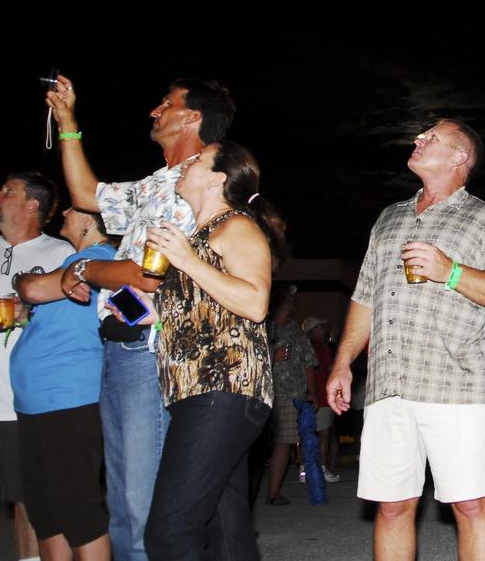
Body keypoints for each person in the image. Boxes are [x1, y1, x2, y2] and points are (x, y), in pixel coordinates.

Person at [47, 75, 235, 561]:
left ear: (192, 117)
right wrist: (68, 123)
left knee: (140, 505)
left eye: (166, 103)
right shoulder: (159, 182)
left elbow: (149, 276)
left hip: (148, 347)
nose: (154, 110)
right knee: (125, 502)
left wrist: (86, 267)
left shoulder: (202, 182)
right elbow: (88, 195)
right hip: (120, 344)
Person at [326, 119, 485, 561]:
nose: (419, 140)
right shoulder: (389, 217)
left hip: (453, 386)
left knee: (470, 503)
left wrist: (450, 271)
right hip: (389, 384)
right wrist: (343, 362)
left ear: (460, 158)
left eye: (432, 137)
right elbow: (365, 297)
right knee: (393, 506)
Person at [137, 140, 283, 558]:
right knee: (225, 528)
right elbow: (206, 310)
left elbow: (255, 303)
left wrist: (186, 261)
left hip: (223, 388)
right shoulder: (198, 236)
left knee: (170, 532)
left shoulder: (236, 226)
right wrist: (155, 313)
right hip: (199, 392)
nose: (186, 163)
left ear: (219, 177)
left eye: (197, 160)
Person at [0, 173, 74, 561]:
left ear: (33, 205)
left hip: (25, 404)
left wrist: (34, 314)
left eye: (7, 191)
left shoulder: (61, 254)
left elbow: (75, 323)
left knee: (28, 503)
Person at [11, 207, 117, 561]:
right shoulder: (73, 262)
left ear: (89, 220)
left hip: (69, 397)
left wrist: (23, 284)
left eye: (73, 209)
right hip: (36, 401)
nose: (65, 212)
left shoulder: (99, 259)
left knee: (79, 510)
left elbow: (32, 286)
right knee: (47, 514)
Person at [265, 285, 317, 504]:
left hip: (290, 393)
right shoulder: (263, 327)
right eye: (288, 299)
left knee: (284, 440)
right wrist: (271, 355)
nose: (292, 302)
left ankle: (273, 493)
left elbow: (308, 361)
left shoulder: (295, 330)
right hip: (264, 390)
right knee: (260, 442)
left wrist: (312, 392)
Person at [302, 316, 342, 482]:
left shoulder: (303, 346)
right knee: (324, 434)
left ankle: (304, 470)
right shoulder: (321, 347)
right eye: (319, 328)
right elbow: (331, 368)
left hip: (305, 395)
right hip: (322, 395)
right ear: (312, 331)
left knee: (306, 433)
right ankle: (322, 469)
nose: (323, 330)